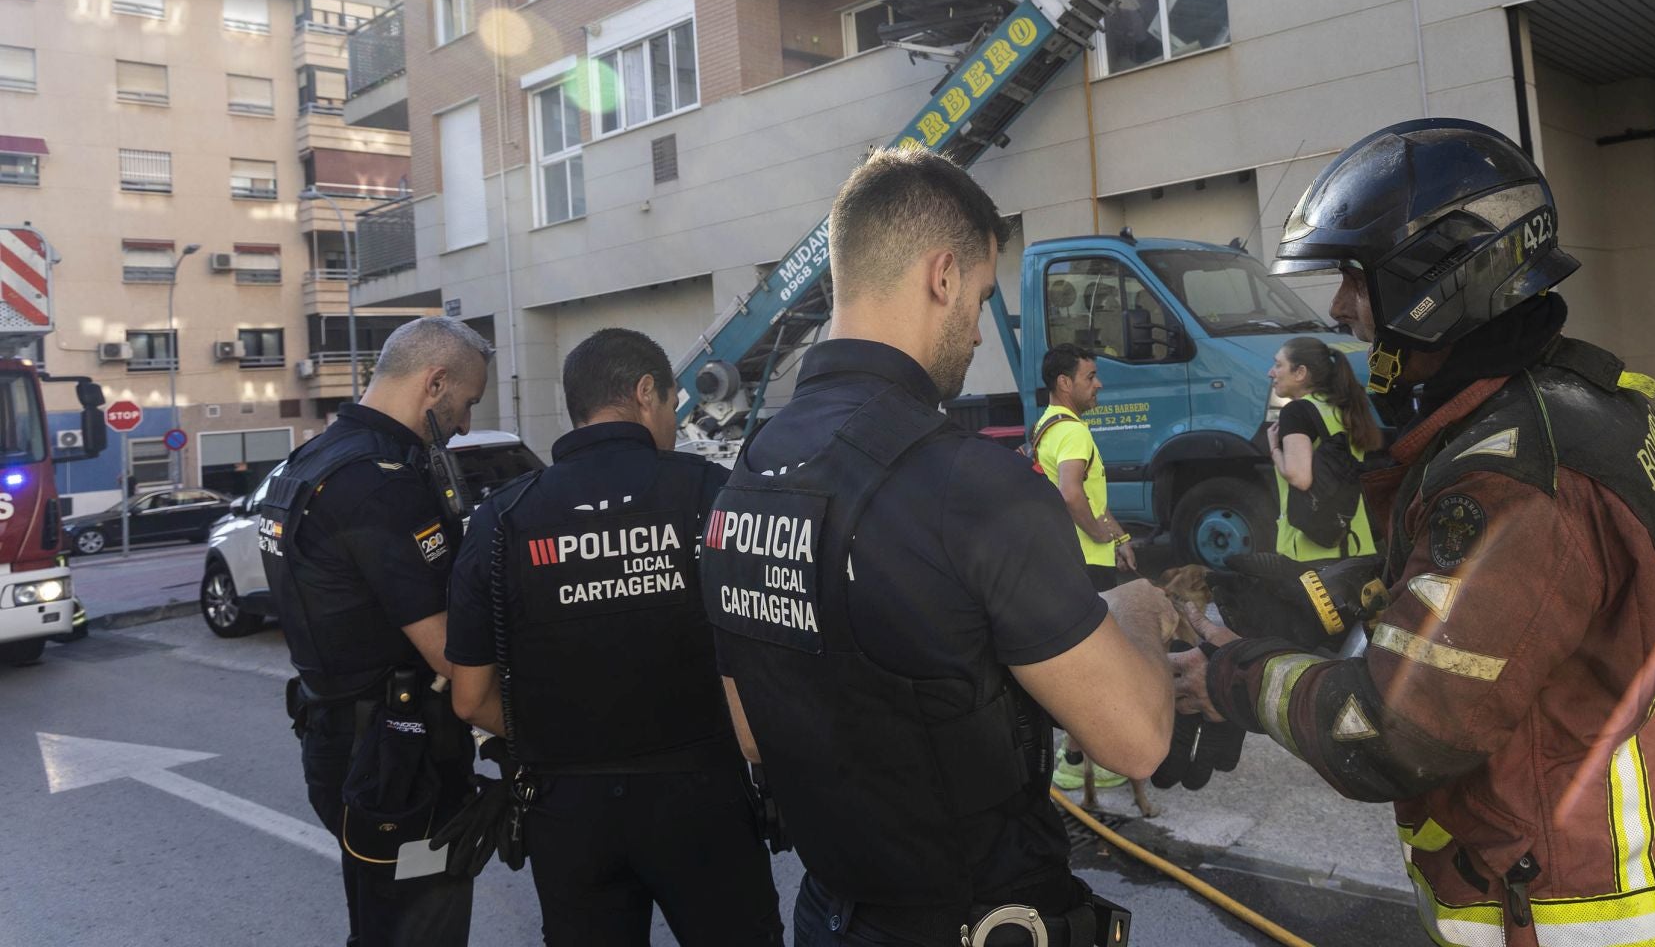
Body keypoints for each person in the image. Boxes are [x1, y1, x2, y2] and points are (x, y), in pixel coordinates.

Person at [1172, 119, 1655, 947]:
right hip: (1628, 879)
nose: (1339, 307)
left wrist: (1233, 678)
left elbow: (1394, 732)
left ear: (1434, 282)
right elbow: (1518, 603)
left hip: (1566, 914)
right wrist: (1307, 596)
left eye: (1356, 280)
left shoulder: (1512, 478)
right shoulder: (1575, 404)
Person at [702, 144, 1175, 946]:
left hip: (829, 914)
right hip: (976, 918)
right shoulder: (974, 486)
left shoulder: (747, 476)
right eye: (983, 294)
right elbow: (1136, 740)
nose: (979, 335)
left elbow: (752, 731)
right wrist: (1134, 612)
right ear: (944, 275)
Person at [441, 327, 783, 946]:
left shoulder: (502, 519)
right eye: (674, 405)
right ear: (645, 392)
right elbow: (761, 651)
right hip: (701, 801)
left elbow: (469, 699)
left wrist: (561, 739)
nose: (676, 424)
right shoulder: (708, 494)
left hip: (567, 813)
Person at [259, 317, 495, 947]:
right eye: (467, 403)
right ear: (435, 382)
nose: (467, 423)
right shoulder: (379, 483)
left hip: (343, 741)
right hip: (400, 762)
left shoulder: (309, 461)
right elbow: (449, 650)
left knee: (381, 922)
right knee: (423, 923)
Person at [1265, 335, 1382, 562]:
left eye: (1279, 365)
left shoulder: (1296, 411)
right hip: (1357, 544)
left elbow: (1299, 478)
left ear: (1300, 373)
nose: (1271, 372)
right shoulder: (1343, 408)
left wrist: (1273, 449)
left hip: (1311, 551)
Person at [1032, 343, 1135, 589]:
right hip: (1089, 562)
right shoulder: (1073, 432)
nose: (1098, 384)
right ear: (1065, 383)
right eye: (1090, 377)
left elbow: (1089, 498)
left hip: (1064, 556)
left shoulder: (1045, 424)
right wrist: (1100, 537)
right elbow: (1070, 493)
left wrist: (1119, 538)